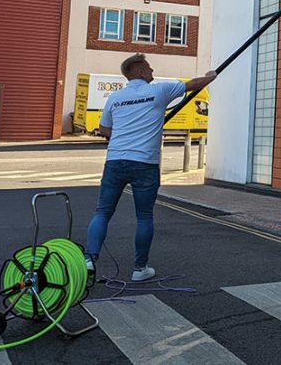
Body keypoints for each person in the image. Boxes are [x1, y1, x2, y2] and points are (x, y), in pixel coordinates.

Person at [83, 54, 215, 282]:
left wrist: (125, 134)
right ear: (141, 72)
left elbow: (105, 129)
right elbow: (194, 85)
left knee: (103, 212)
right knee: (144, 216)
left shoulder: (115, 98)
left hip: (115, 161)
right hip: (145, 163)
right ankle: (139, 269)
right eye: (149, 67)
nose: (152, 70)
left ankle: (88, 259)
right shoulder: (159, 91)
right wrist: (210, 76)